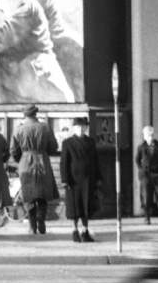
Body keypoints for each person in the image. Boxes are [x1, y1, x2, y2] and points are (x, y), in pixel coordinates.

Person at [10, 104, 59, 237]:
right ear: (35, 114)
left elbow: (13, 150)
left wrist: (21, 159)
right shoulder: (45, 127)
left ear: (24, 115)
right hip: (43, 160)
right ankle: (41, 220)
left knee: (28, 195)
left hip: (25, 162)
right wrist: (44, 152)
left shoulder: (18, 129)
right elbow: (53, 147)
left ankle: (32, 225)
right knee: (42, 193)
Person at [60, 115, 99, 243]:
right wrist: (65, 179)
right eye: (78, 127)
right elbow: (64, 162)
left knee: (86, 206)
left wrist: (98, 177)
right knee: (74, 207)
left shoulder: (90, 142)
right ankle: (75, 230)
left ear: (86, 128)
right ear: (73, 128)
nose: (81, 130)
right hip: (73, 180)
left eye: (83, 127)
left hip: (88, 179)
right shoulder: (68, 143)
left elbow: (95, 161)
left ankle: (85, 231)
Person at [135, 125, 158, 224]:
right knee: (146, 196)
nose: (150, 137)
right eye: (148, 135)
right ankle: (147, 217)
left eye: (152, 134)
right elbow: (137, 160)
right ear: (144, 136)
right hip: (146, 175)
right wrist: (142, 171)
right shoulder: (141, 147)